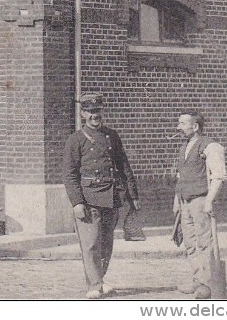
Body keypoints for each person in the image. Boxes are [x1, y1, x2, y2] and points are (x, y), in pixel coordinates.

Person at [63, 93, 139, 299]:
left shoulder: (112, 136)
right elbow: (69, 174)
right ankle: (93, 284)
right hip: (88, 198)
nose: (95, 115)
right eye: (90, 112)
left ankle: (100, 279)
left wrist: (133, 196)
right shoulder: (76, 139)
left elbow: (123, 167)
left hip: (111, 196)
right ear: (83, 114)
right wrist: (77, 202)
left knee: (106, 242)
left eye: (98, 111)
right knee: (90, 243)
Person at [174, 111, 227, 300]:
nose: (178, 127)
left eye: (182, 123)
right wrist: (177, 201)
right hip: (184, 201)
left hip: (200, 200)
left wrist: (210, 200)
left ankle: (207, 284)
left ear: (195, 126)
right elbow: (180, 176)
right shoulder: (185, 146)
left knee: (205, 242)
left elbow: (218, 175)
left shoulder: (210, 146)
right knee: (190, 243)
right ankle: (197, 279)